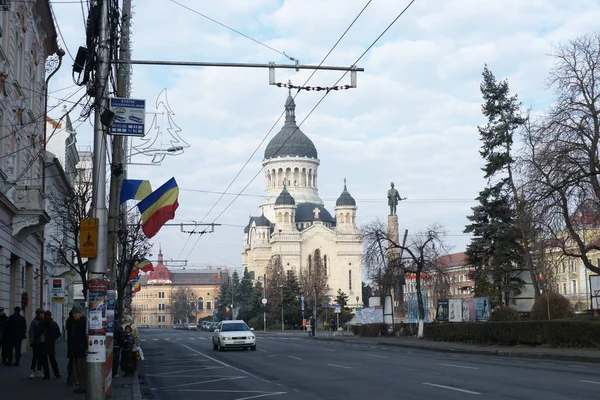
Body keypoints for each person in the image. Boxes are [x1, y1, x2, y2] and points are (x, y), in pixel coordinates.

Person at [68, 306, 87, 394]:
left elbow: (83, 336)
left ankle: (83, 386)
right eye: (73, 314)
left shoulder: (83, 322)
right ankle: (81, 385)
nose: (74, 315)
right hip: (77, 349)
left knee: (82, 369)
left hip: (81, 349)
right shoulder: (77, 322)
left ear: (80, 313)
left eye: (75, 313)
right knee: (78, 369)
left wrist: (82, 346)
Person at [42, 311, 61, 379]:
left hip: (43, 344)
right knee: (53, 360)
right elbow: (58, 333)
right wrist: (53, 338)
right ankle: (57, 374)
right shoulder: (54, 324)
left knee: (44, 361)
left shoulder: (42, 323)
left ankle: (47, 375)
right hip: (51, 344)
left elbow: (38, 333)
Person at [28, 308, 45, 379]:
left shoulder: (44, 322)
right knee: (35, 357)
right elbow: (31, 332)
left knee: (41, 357)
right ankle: (32, 371)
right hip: (36, 342)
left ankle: (39, 370)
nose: (42, 315)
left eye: (43, 313)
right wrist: (31, 342)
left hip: (42, 342)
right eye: (41, 313)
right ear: (38, 314)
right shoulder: (34, 322)